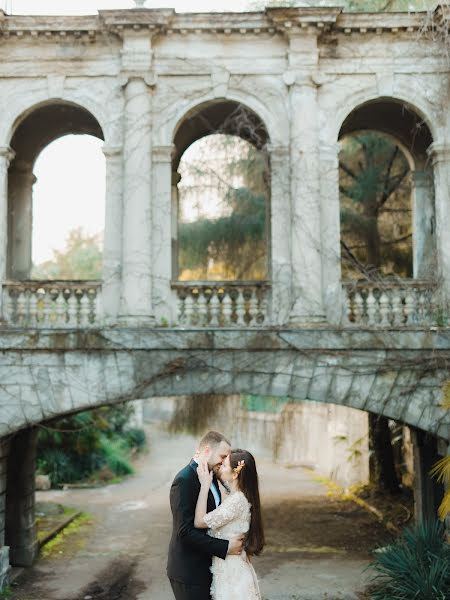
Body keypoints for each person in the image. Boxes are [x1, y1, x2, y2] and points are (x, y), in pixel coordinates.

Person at [167, 431, 245, 600]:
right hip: (189, 572)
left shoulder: (210, 475)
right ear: (207, 451)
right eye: (223, 456)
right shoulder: (185, 480)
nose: (225, 462)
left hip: (209, 568)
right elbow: (185, 532)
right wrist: (225, 547)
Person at [194, 448, 264, 600]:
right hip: (229, 568)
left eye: (224, 465)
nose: (220, 467)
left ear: (235, 474)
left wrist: (204, 486)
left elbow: (199, 522)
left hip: (232, 573)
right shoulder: (238, 496)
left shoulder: (236, 502)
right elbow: (224, 480)